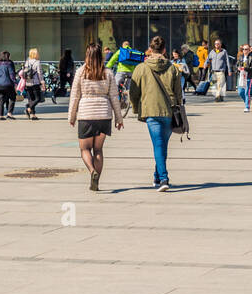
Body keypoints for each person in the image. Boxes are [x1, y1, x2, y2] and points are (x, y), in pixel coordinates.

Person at [129, 36, 184, 192]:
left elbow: (133, 92)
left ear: (150, 49)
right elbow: (178, 92)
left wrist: (136, 108)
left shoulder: (141, 68)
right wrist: (178, 106)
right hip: (168, 111)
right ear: (165, 50)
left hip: (150, 110)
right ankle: (157, 176)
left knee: (159, 145)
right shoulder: (173, 68)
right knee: (161, 144)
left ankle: (164, 178)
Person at [68, 41, 124, 192]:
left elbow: (75, 96)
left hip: (86, 114)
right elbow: (114, 97)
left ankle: (92, 171)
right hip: (104, 115)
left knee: (85, 149)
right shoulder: (108, 73)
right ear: (101, 56)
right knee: (98, 150)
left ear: (87, 55)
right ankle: (97, 178)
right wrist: (119, 118)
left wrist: (72, 116)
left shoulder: (81, 72)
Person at [106, 41, 141, 115]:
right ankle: (126, 100)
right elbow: (135, 63)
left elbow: (113, 59)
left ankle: (116, 99)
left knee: (114, 85)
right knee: (128, 88)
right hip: (130, 72)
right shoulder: (133, 52)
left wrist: (107, 67)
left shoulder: (120, 51)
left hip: (121, 71)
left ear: (123, 45)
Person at [0, 51, 18, 119]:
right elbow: (12, 75)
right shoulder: (9, 64)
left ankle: (1, 115)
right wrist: (15, 83)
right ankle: (9, 113)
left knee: (1, 99)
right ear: (7, 56)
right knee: (13, 97)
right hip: (7, 84)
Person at [22, 48, 44, 119]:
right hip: (35, 83)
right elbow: (39, 73)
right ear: (35, 54)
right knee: (38, 98)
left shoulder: (27, 62)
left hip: (28, 83)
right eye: (37, 53)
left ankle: (33, 115)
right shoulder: (37, 62)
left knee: (31, 99)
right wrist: (42, 82)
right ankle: (28, 108)